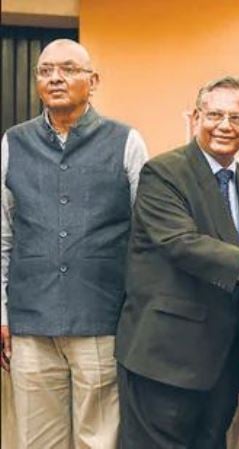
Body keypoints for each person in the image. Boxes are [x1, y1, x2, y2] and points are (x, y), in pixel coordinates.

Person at [114, 76, 239, 448]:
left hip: (221, 362)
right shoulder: (164, 172)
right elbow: (180, 242)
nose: (224, 125)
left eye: (237, 118)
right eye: (214, 114)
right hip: (165, 358)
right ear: (195, 117)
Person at [0, 39, 148, 448]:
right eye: (45, 71)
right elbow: (3, 235)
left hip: (101, 319)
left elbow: (145, 235)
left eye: (67, 69)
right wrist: (2, 312)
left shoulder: (126, 141)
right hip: (30, 323)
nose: (55, 78)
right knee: (37, 441)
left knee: (98, 440)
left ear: (92, 81)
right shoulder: (13, 143)